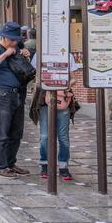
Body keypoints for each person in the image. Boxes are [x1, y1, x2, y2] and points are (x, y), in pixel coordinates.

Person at [0, 22, 31, 179]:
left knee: (16, 132)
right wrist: (5, 54)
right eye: (12, 39)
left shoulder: (18, 48)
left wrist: (24, 55)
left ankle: (10, 163)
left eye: (16, 39)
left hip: (19, 94)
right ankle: (0, 166)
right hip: (3, 95)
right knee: (2, 132)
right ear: (3, 37)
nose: (15, 42)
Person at [31, 52, 79, 180]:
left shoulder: (67, 55)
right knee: (45, 136)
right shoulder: (40, 53)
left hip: (62, 100)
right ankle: (44, 164)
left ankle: (63, 166)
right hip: (44, 99)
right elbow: (36, 78)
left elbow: (74, 78)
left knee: (63, 137)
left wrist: (64, 86)